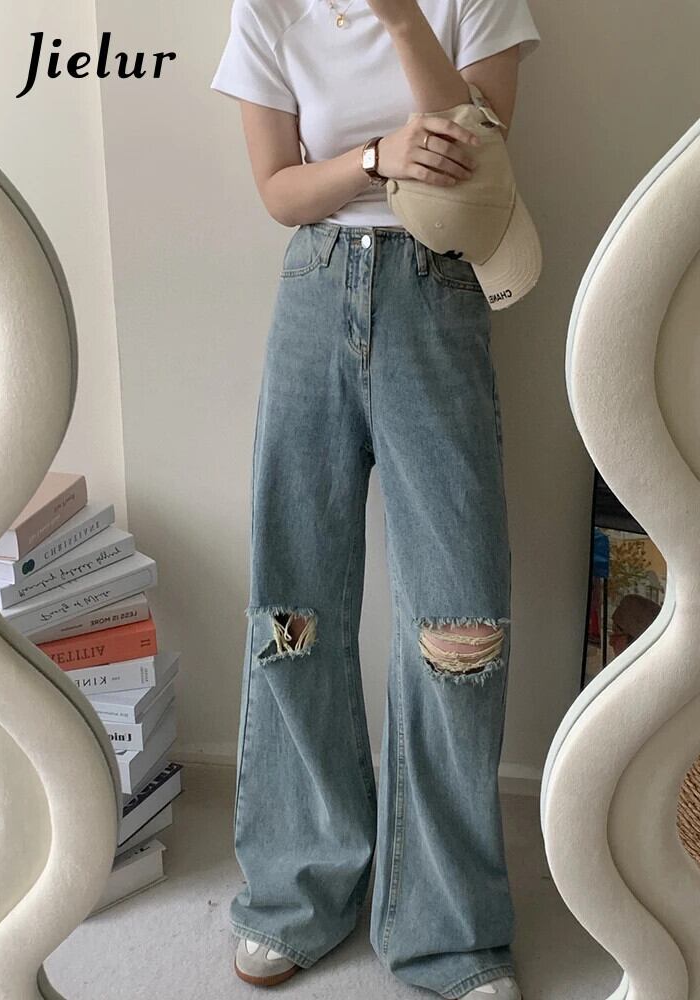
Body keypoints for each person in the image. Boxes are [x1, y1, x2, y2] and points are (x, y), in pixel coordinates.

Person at [210, 1, 541, 997]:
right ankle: (296, 889)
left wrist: (401, 20)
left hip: (437, 293)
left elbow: (480, 149)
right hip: (315, 291)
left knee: (458, 622)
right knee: (294, 608)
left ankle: (449, 930)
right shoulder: (268, 9)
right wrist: (375, 157)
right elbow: (279, 189)